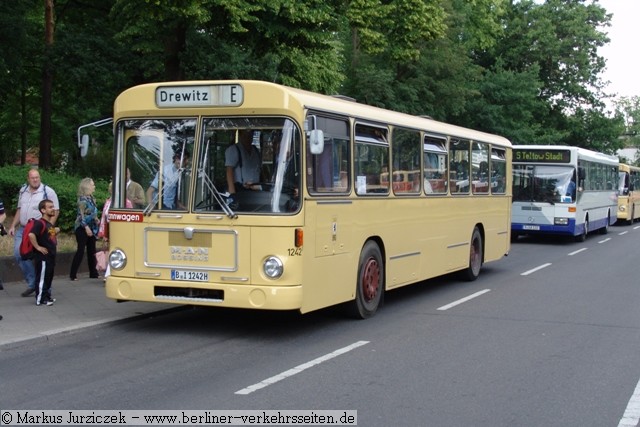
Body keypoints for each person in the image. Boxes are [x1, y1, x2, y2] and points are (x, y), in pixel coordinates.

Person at [8, 168, 60, 297]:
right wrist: (13, 225)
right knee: (19, 254)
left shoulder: (48, 191)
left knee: (42, 259)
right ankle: (33, 282)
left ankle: (44, 288)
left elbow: (56, 210)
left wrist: (49, 228)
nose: (35, 180)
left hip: (40, 230)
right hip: (24, 228)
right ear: (28, 179)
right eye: (33, 178)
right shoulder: (23, 191)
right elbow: (20, 209)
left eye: (37, 177)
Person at [69, 178, 100, 281]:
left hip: (92, 226)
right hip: (82, 227)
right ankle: (73, 274)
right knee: (81, 250)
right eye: (92, 185)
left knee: (92, 250)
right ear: (87, 186)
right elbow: (81, 216)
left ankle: (93, 273)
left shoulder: (92, 198)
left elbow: (92, 212)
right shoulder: (82, 200)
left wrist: (96, 219)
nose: (94, 187)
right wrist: (86, 227)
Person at [29, 199, 58, 306]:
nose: (53, 209)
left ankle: (46, 296)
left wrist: (56, 231)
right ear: (43, 210)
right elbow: (31, 235)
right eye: (50, 207)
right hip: (43, 257)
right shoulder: (39, 223)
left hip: (50, 256)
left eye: (53, 206)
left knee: (48, 277)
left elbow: (49, 237)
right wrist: (38, 247)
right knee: (42, 278)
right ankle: (40, 298)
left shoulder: (48, 224)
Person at [225, 130, 262, 195]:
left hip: (256, 190)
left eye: (250, 136)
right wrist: (232, 193)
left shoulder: (255, 150)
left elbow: (259, 168)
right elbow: (229, 170)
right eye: (245, 136)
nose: (248, 138)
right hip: (240, 190)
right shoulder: (234, 149)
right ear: (240, 135)